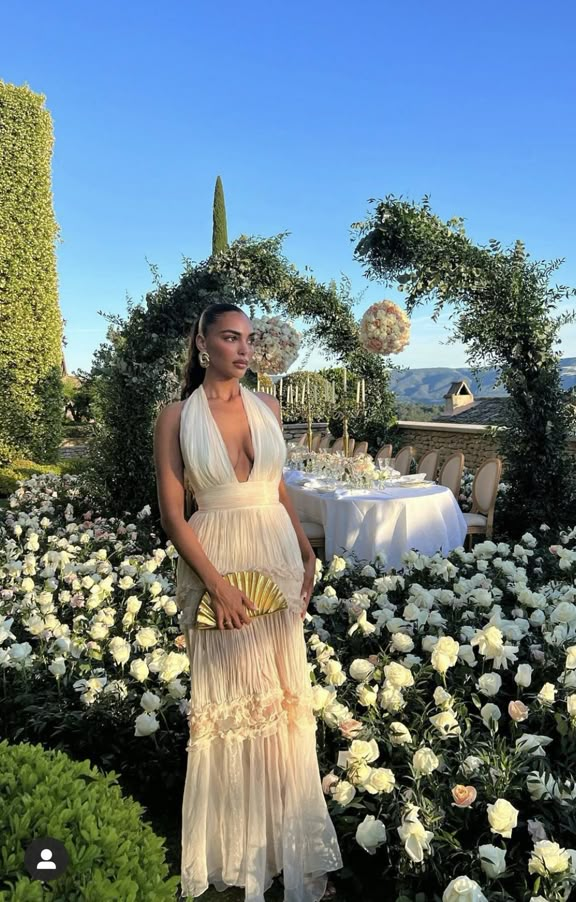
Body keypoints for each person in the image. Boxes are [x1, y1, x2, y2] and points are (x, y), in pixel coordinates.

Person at [153, 302, 342, 900]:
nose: (243, 349)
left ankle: (281, 844)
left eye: (249, 340)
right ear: (202, 342)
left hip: (277, 559)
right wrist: (215, 582)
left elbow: (276, 486)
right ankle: (231, 853)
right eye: (230, 338)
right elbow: (172, 514)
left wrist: (308, 549)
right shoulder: (175, 418)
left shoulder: (269, 408)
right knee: (229, 700)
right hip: (216, 562)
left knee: (282, 700)